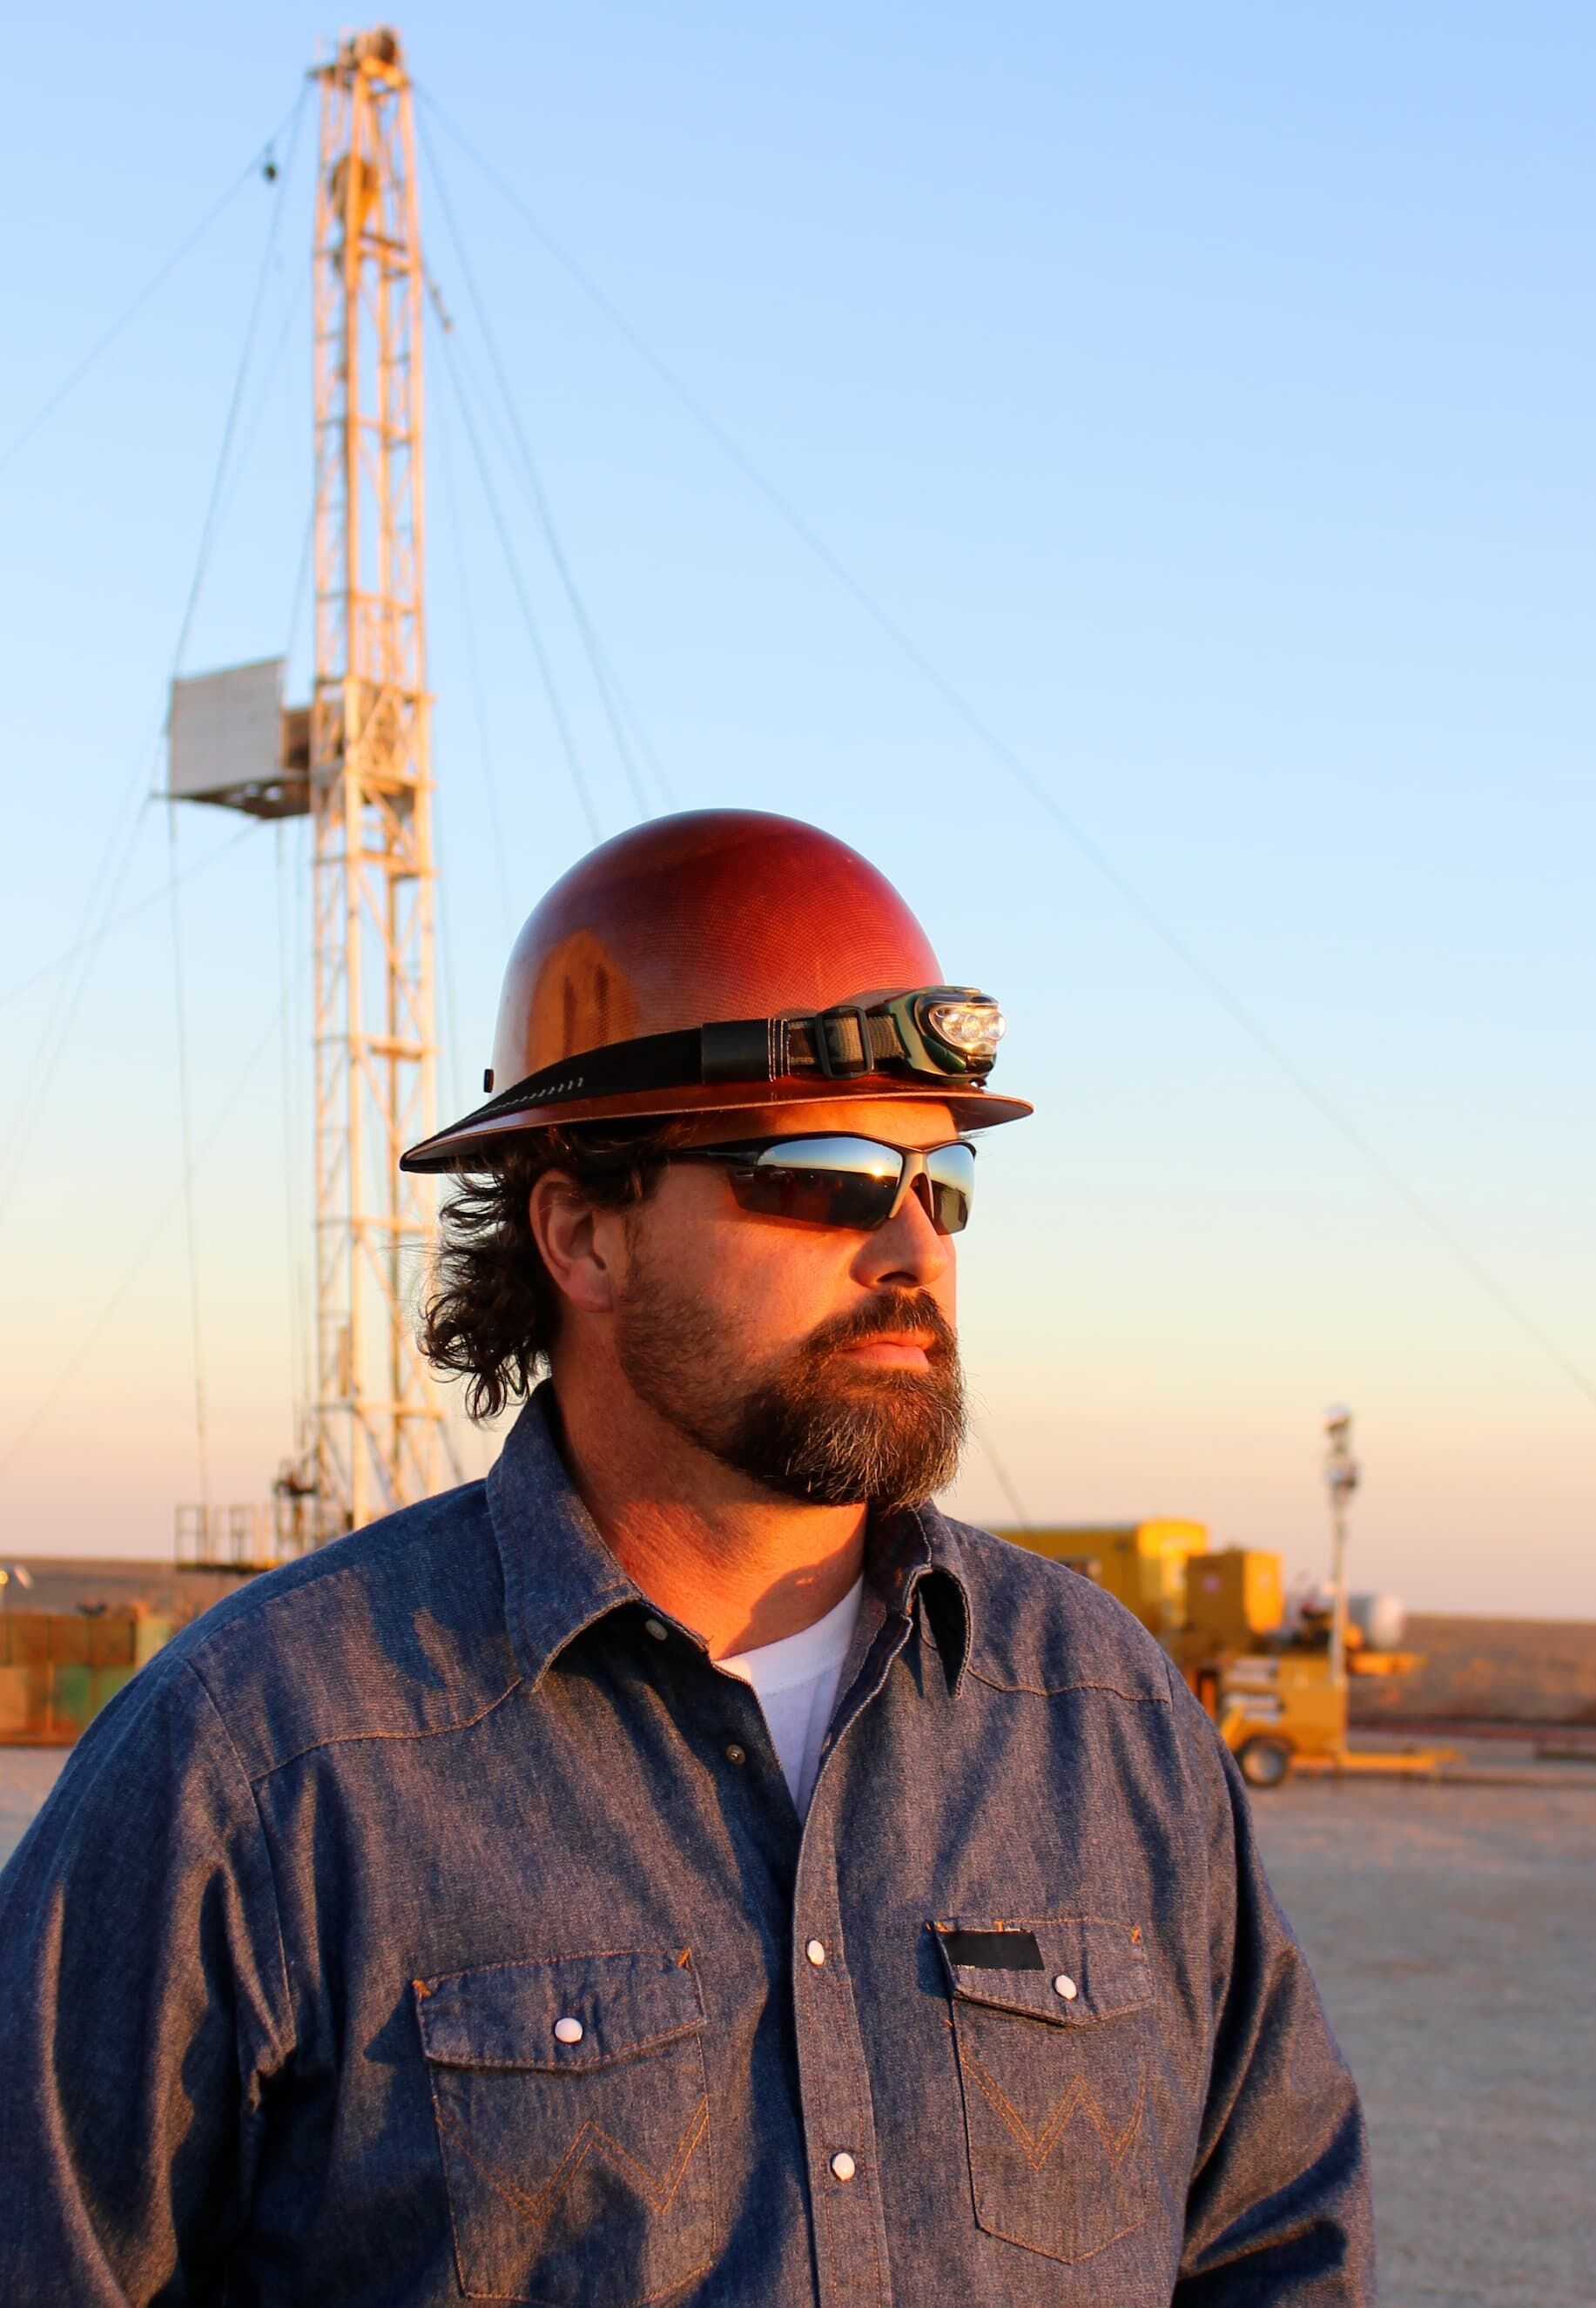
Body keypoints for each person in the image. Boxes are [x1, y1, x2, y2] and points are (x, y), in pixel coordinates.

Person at [0, 810, 1373, 2304]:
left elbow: (1272, 2244)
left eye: (941, 1181)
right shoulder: (264, 1766)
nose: (912, 1248)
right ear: (584, 1238)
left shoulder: (1105, 1720)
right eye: (831, 1172)